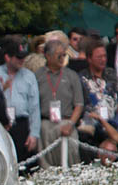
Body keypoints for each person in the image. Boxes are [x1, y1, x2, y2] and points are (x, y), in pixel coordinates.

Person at [35, 38, 83, 167]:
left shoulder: (72, 75)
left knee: (71, 162)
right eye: (59, 55)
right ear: (48, 56)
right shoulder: (37, 76)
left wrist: (71, 124)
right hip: (45, 124)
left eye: (64, 55)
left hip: (67, 123)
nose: (62, 58)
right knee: (46, 165)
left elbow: (79, 104)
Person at [0, 35, 40, 163]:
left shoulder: (29, 76)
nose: (22, 60)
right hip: (2, 123)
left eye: (23, 57)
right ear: (7, 57)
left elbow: (34, 107)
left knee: (25, 165)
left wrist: (34, 134)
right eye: (18, 57)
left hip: (22, 124)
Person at [78, 37, 118, 153]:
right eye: (99, 57)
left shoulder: (111, 75)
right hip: (91, 126)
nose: (103, 60)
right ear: (89, 59)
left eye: (104, 56)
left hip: (111, 124)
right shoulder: (81, 78)